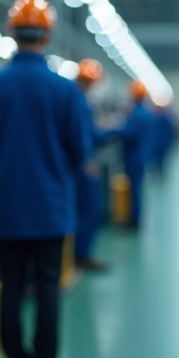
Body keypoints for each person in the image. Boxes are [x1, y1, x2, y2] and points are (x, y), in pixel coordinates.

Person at [0, 0, 88, 358]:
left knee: (11, 290)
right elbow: (80, 150)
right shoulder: (65, 91)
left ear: (11, 33)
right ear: (49, 35)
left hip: (7, 208)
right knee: (47, 292)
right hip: (51, 209)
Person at [73, 58, 111, 271]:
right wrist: (86, 160)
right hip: (82, 165)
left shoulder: (79, 99)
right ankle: (82, 254)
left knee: (81, 210)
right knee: (88, 210)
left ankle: (78, 252)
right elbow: (84, 135)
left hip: (78, 163)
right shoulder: (80, 102)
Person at [117, 81, 153, 229]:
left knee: (134, 189)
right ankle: (134, 217)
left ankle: (134, 220)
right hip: (140, 155)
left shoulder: (137, 114)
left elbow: (129, 133)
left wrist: (114, 130)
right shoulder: (144, 112)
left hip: (133, 157)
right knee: (136, 188)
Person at [151, 106, 176, 178]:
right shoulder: (157, 119)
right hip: (158, 142)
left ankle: (161, 171)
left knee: (161, 159)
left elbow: (170, 132)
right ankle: (158, 171)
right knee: (157, 159)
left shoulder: (164, 120)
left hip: (162, 143)